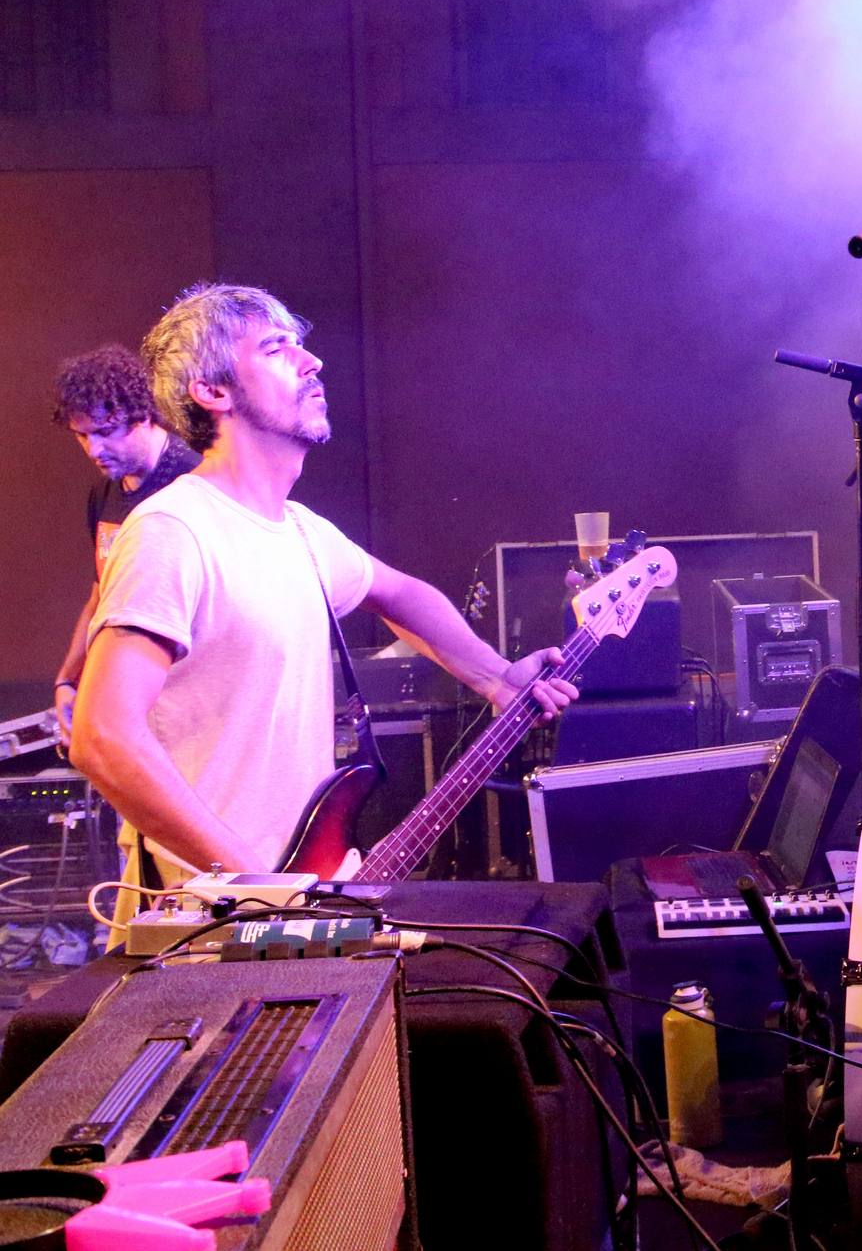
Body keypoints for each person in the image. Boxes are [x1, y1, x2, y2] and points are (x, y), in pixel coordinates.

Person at [69, 283, 578, 891]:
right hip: (220, 924)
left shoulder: (302, 532)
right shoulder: (174, 531)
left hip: (304, 895)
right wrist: (254, 882)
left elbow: (400, 593)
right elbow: (102, 736)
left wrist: (495, 676)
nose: (311, 361)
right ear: (212, 391)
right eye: (277, 348)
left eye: (301, 345)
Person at [48, 345, 202, 749]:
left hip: (194, 712)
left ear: (144, 415)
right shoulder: (104, 493)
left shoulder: (194, 483)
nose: (93, 450)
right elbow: (103, 593)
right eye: (82, 435)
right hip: (138, 715)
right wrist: (70, 678)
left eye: (104, 432)